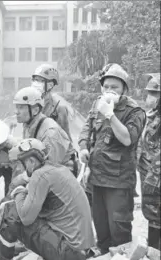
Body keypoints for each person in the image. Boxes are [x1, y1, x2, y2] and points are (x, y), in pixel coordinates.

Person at [78, 63, 146, 255]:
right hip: (97, 179)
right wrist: (83, 147)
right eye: (106, 86)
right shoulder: (97, 104)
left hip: (119, 182)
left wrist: (110, 114)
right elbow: (86, 129)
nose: (109, 91)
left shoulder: (135, 111)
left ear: (124, 88)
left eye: (114, 87)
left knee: (119, 230)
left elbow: (127, 139)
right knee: (100, 227)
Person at [0, 138, 94, 260]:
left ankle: (2, 256)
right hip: (80, 248)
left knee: (11, 211)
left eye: (23, 163)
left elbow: (26, 218)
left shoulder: (39, 176)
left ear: (31, 161)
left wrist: (18, 192)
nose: (22, 168)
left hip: (69, 251)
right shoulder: (56, 169)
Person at [13, 86, 78, 176]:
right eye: (16, 107)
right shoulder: (28, 124)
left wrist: (25, 180)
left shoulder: (50, 133)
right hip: (46, 171)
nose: (16, 111)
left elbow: (50, 169)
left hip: (62, 175)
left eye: (21, 107)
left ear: (35, 110)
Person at [138, 74, 160, 250]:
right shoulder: (149, 116)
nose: (150, 97)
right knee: (151, 215)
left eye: (155, 93)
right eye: (149, 93)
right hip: (147, 176)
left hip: (157, 176)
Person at [31, 64, 71, 140]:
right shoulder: (29, 104)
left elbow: (65, 137)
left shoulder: (59, 108)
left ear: (50, 84)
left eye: (42, 80)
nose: (37, 83)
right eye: (36, 80)